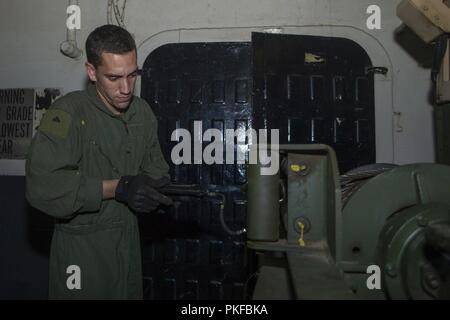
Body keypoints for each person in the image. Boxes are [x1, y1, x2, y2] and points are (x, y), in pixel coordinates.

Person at [26, 24, 172, 299]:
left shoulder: (142, 113)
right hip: (81, 254)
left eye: (133, 75)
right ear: (92, 72)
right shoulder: (65, 113)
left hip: (128, 246)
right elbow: (41, 187)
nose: (126, 88)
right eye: (114, 78)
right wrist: (115, 188)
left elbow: (154, 170)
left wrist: (155, 192)